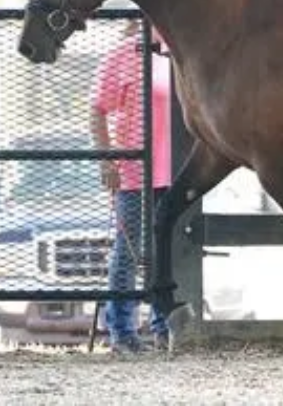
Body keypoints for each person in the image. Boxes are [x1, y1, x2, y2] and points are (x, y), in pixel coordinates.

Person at [90, 19, 172, 353]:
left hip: (176, 171)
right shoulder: (124, 53)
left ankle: (164, 328)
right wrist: (107, 160)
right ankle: (122, 332)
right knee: (128, 252)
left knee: (165, 254)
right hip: (134, 171)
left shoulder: (182, 49)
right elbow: (96, 109)